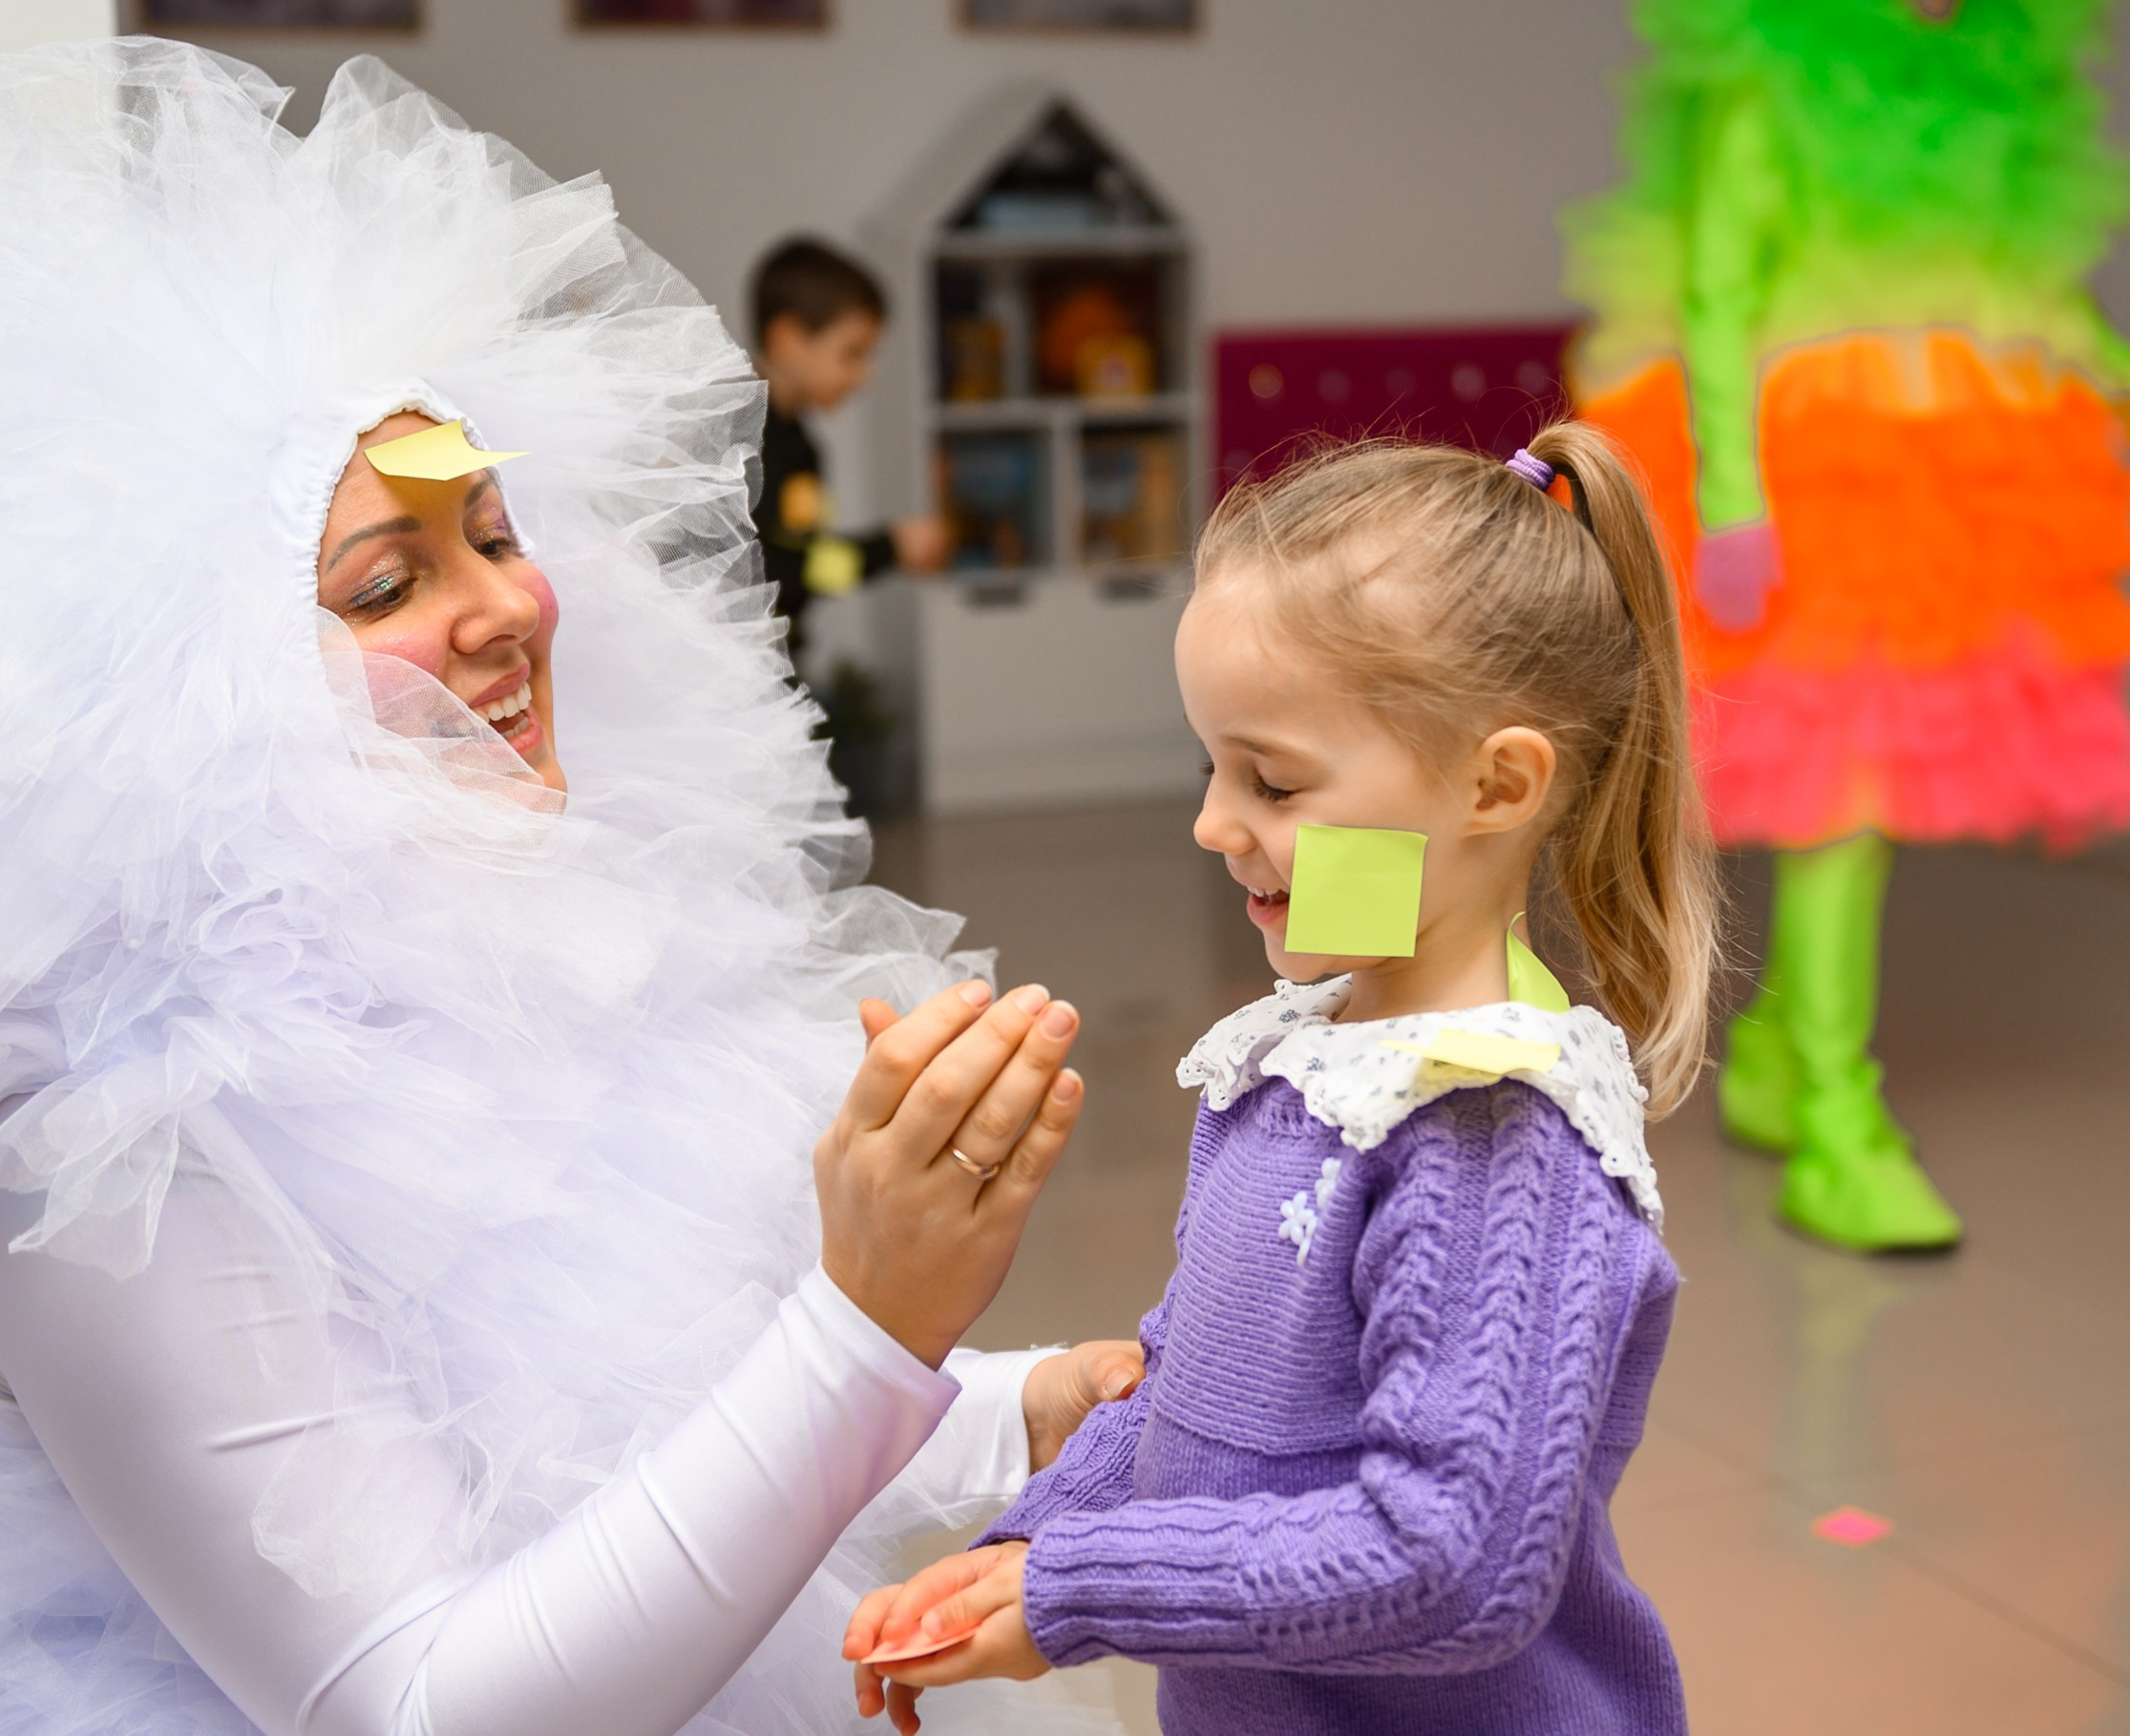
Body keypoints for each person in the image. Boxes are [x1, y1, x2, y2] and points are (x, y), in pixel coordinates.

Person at [0, 43, 1137, 1736]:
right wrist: (864, 1321)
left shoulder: (509, 950)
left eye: (491, 528)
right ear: (181, 696)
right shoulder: (113, 1158)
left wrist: (1011, 1403)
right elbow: (418, 1703)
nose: (509, 606)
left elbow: (628, 1426)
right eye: (386, 578)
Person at [843, 428, 1715, 1736]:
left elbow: (1448, 1560)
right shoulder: (1304, 1060)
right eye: (1211, 763)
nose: (1211, 819)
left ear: (1496, 784)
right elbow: (1192, 1388)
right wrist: (1034, 1544)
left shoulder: (1494, 1128)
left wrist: (1086, 1589)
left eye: (1274, 779)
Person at [1562, 0, 2130, 1251]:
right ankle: (1833, 1115)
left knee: (1886, 775)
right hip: (1810, 475)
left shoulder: (1995, 79)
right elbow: (1714, 291)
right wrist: (1731, 503)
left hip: (1963, 470)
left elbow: (2023, 285)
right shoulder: (1764, 74)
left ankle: (1776, 1059)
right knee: (1852, 791)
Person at [749, 237, 951, 664]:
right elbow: (783, 573)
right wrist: (891, 548)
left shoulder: (799, 442)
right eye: (852, 353)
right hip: (736, 676)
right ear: (786, 339)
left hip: (773, 660)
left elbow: (807, 563)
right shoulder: (745, 437)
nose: (865, 375)